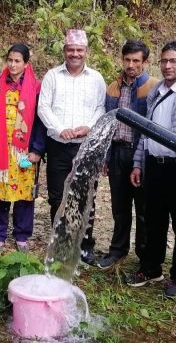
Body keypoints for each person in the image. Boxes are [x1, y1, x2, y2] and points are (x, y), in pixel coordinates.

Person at [127, 41, 176, 298]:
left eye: (174, 61)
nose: (168, 66)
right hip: (154, 165)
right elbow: (146, 131)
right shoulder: (156, 91)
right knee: (153, 221)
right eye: (164, 61)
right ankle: (151, 268)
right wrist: (138, 163)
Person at [37, 29, 106, 266]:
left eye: (79, 50)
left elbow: (100, 108)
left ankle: (84, 246)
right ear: (64, 51)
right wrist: (60, 129)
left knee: (85, 197)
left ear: (86, 51)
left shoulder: (96, 78)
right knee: (57, 197)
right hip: (58, 146)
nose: (75, 54)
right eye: (71, 49)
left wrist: (89, 127)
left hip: (86, 146)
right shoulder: (52, 76)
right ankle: (60, 245)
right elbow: (43, 107)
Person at [0, 44, 46, 253]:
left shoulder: (36, 88)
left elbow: (41, 122)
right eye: (10, 60)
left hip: (24, 152)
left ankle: (22, 235)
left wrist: (37, 150)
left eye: (17, 61)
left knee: (24, 195)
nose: (13, 65)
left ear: (26, 64)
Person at [97, 39, 158, 270]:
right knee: (119, 207)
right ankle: (117, 250)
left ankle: (144, 255)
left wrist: (142, 159)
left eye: (135, 60)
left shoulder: (153, 87)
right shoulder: (114, 87)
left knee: (143, 208)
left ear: (145, 62)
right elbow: (107, 124)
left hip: (140, 153)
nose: (131, 65)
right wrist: (106, 156)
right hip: (118, 152)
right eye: (127, 60)